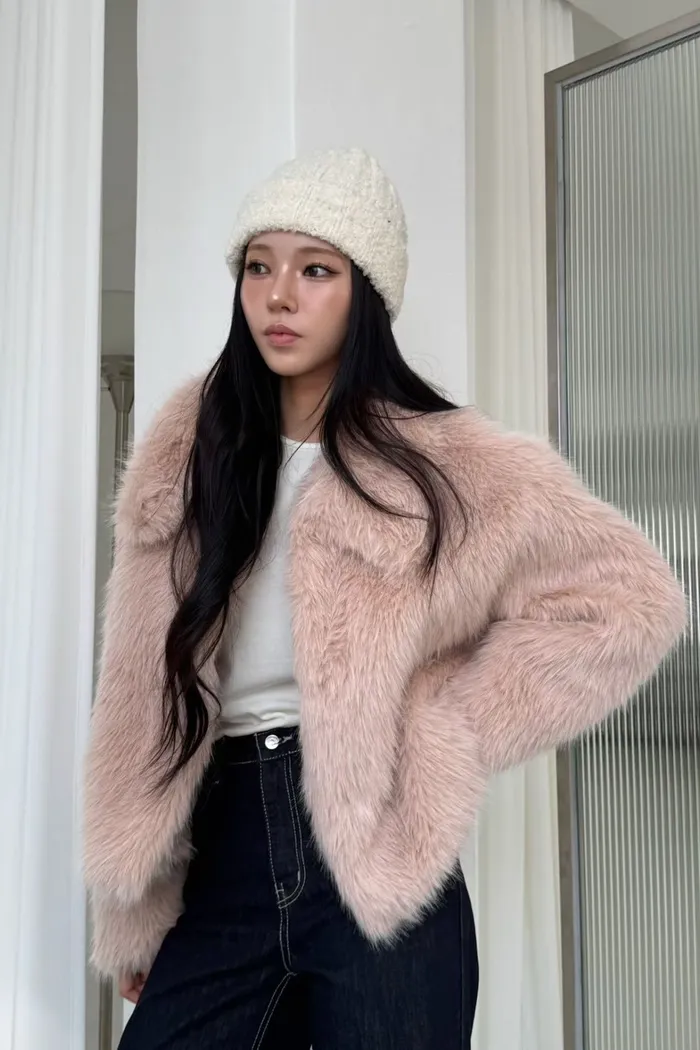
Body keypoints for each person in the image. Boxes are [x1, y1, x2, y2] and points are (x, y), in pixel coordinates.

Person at [83, 147, 686, 1049]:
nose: (278, 297)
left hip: (376, 865)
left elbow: (634, 602)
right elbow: (139, 686)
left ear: (364, 293)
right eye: (259, 267)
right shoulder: (191, 442)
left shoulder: (448, 464)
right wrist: (136, 906)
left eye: (315, 270)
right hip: (223, 848)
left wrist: (446, 725)